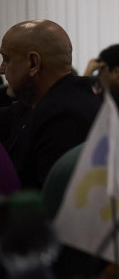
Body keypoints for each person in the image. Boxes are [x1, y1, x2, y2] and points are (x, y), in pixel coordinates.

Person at [0, 19, 100, 189]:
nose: (2, 69)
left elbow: (49, 199)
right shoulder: (54, 98)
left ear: (33, 63)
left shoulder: (63, 119)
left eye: (6, 59)